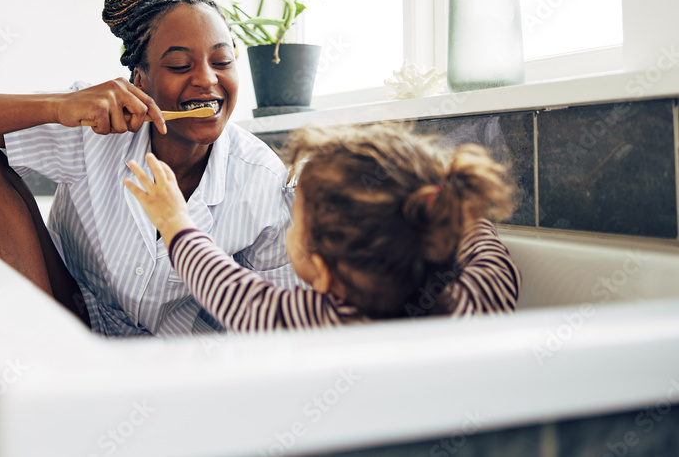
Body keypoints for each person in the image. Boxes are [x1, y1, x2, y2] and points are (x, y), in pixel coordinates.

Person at [0, 0, 299, 336]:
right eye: (179, 64)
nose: (207, 79)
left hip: (178, 362)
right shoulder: (94, 128)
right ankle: (50, 353)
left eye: (222, 61)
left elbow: (278, 328)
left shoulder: (262, 180)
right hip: (70, 319)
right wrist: (59, 106)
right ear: (140, 80)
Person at [124, 123, 521, 331]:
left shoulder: (322, 321)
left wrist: (175, 222)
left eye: (298, 219)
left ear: (324, 270)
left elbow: (228, 289)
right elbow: (487, 249)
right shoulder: (476, 302)